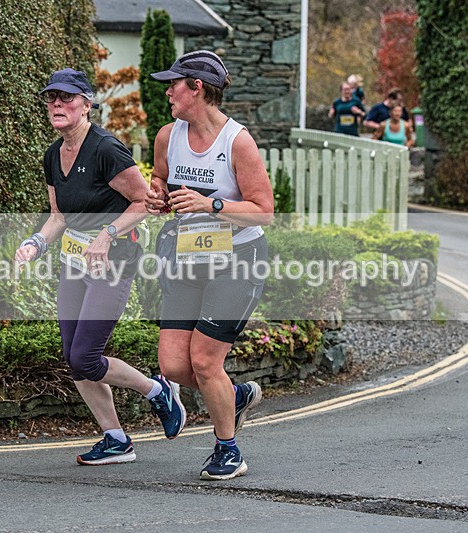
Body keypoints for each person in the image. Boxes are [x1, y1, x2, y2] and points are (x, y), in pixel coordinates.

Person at [14, 68, 186, 466]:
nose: (57, 104)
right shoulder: (52, 155)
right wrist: (35, 243)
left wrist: (106, 234)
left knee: (86, 356)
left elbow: (145, 203)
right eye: (51, 98)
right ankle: (115, 439)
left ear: (86, 104)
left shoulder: (107, 149)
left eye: (66, 97)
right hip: (74, 262)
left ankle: (157, 392)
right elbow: (59, 217)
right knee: (72, 355)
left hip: (114, 260)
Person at [145, 50, 274, 480]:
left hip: (238, 258)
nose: (168, 92)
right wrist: (156, 195)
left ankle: (228, 449)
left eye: (174, 84)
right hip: (189, 254)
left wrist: (211, 203)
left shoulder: (237, 141)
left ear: (197, 88)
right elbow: (162, 178)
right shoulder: (168, 135)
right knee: (173, 366)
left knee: (203, 360)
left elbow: (264, 210)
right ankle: (232, 397)